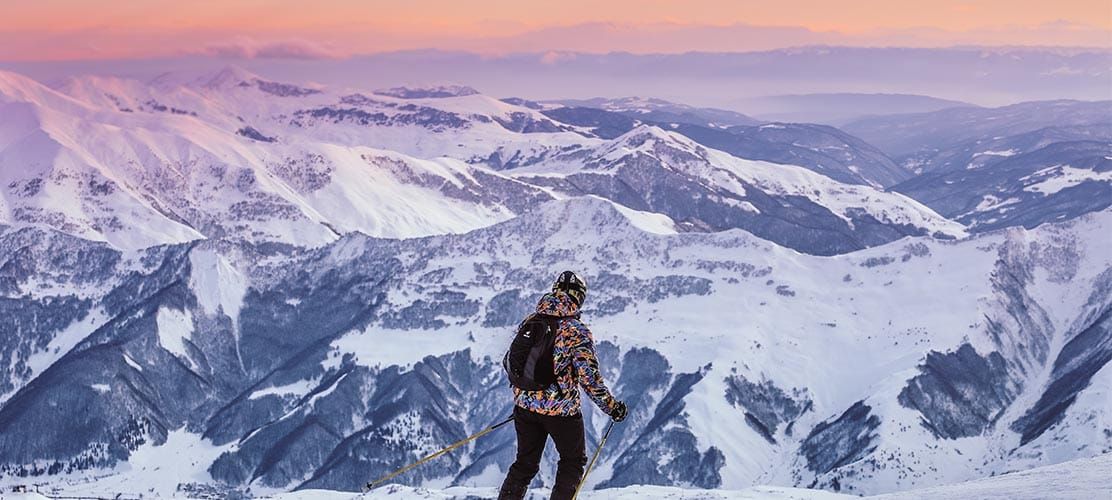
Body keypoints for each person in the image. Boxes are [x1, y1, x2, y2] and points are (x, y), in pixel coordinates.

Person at [498, 271, 628, 500]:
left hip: (525, 407)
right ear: (578, 297)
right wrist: (612, 407)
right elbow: (590, 379)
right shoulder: (575, 331)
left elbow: (513, 362)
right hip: (562, 412)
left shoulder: (530, 320)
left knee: (525, 464)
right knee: (572, 462)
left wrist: (530, 399)